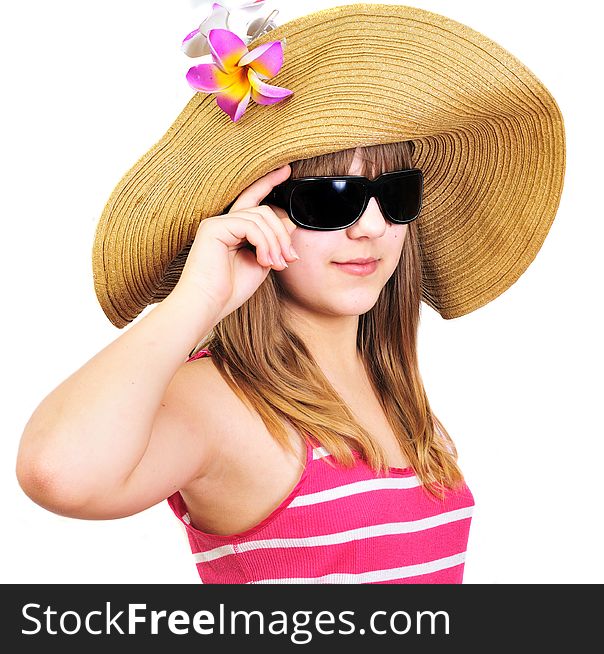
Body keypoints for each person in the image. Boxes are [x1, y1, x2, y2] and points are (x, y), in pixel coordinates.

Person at [16, 3, 565, 584]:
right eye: (330, 198)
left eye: (395, 194)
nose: (371, 228)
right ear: (253, 218)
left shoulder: (392, 388)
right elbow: (58, 474)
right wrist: (195, 299)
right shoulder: (220, 400)